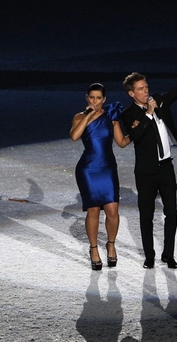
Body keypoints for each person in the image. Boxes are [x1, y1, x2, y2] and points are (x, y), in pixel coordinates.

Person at [121, 41, 177, 269]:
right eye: (141, 88)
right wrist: (149, 115)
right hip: (145, 172)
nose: (146, 90)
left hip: (166, 168)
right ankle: (149, 256)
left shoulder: (159, 100)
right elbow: (138, 136)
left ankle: (168, 254)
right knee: (146, 215)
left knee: (172, 213)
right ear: (132, 93)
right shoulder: (129, 114)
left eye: (146, 86)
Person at [70, 83, 131, 270]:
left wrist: (137, 132)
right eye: (92, 97)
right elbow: (74, 136)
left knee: (112, 210)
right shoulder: (79, 117)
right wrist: (88, 114)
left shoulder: (111, 117)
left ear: (104, 100)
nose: (95, 101)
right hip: (88, 169)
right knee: (93, 210)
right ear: (87, 98)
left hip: (107, 168)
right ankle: (94, 249)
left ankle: (111, 244)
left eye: (98, 98)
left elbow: (121, 142)